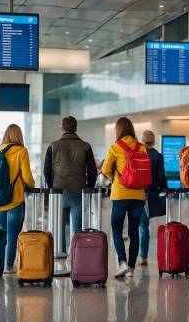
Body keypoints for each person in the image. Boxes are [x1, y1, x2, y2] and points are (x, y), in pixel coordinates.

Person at [43, 116, 97, 253]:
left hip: (58, 191)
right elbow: (92, 171)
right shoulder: (85, 146)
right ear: (76, 128)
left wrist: (51, 188)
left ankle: (60, 253)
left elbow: (46, 171)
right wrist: (89, 189)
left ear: (62, 128)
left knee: (59, 227)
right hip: (78, 191)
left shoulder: (52, 146)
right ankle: (76, 255)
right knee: (77, 227)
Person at [101, 117, 147, 278]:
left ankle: (123, 262)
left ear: (118, 130)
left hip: (120, 194)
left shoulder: (116, 147)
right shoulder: (142, 148)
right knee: (134, 231)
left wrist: (113, 174)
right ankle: (132, 268)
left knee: (116, 229)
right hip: (139, 195)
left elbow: (105, 170)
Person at [0, 124, 35, 274]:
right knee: (13, 235)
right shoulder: (21, 151)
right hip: (15, 200)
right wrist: (32, 185)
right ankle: (9, 266)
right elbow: (27, 177)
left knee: (4, 235)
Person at [139, 130, 167, 266]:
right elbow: (161, 177)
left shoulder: (137, 154)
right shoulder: (158, 156)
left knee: (138, 225)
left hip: (136, 192)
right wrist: (164, 189)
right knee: (144, 225)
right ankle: (143, 257)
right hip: (150, 193)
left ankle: (139, 256)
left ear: (142, 141)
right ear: (154, 141)